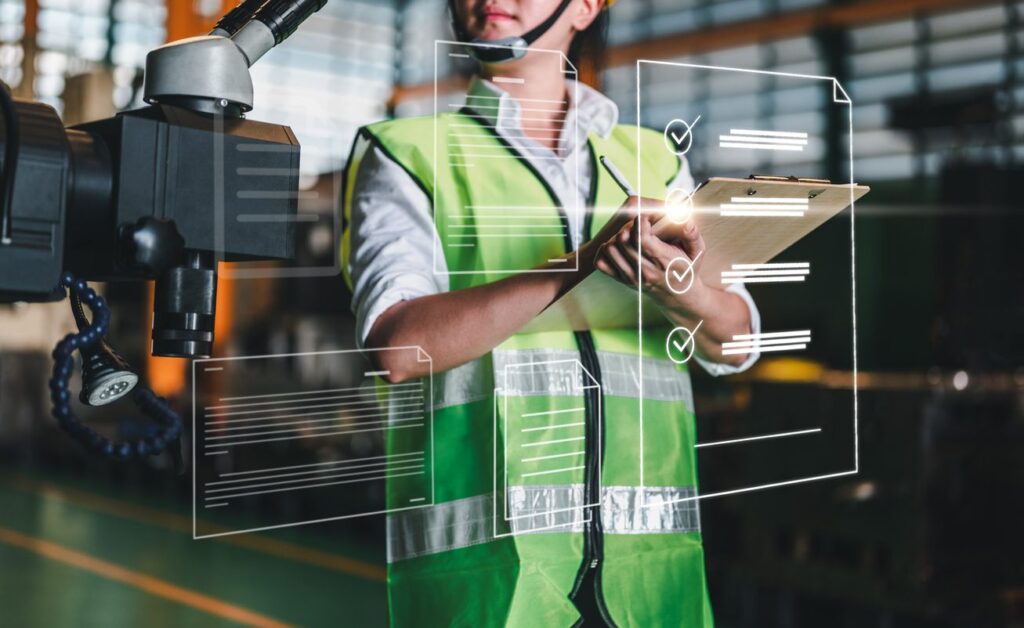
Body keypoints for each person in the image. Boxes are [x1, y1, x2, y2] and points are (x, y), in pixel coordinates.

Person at [342, 0, 762, 624]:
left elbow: (739, 339)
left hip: (649, 574)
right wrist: (583, 262)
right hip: (493, 573)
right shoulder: (406, 154)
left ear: (587, 6)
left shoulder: (655, 161)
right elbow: (398, 347)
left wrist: (681, 291)